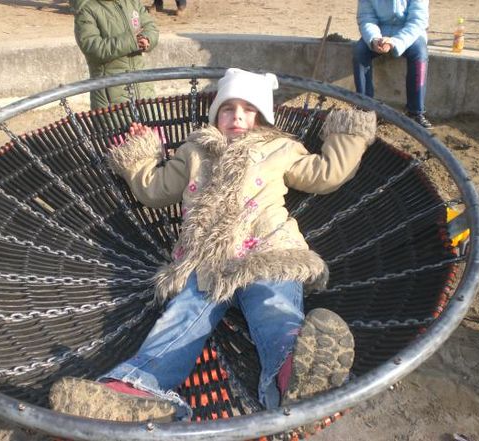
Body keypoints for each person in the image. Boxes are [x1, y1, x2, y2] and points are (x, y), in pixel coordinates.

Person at [50, 68, 377, 422]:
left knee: (275, 309)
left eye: (248, 109)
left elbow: (324, 174)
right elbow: (155, 190)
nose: (237, 116)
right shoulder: (194, 150)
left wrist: (347, 134)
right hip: (204, 261)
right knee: (182, 317)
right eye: (228, 108)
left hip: (267, 253)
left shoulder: (278, 148)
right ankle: (137, 388)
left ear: (263, 118)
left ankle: (293, 374)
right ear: (215, 114)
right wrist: (139, 155)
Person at [353, 0, 432, 129]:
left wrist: (395, 42)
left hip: (410, 34)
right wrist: (374, 39)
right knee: (360, 51)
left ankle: (415, 112)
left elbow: (418, 21)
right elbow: (366, 18)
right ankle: (365, 107)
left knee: (420, 54)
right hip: (379, 33)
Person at [71, 0, 159, 109]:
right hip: (110, 97)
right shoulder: (86, 9)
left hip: (143, 89)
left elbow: (150, 27)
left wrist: (147, 38)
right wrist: (131, 41)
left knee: (149, 124)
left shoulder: (132, 2)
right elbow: (93, 48)